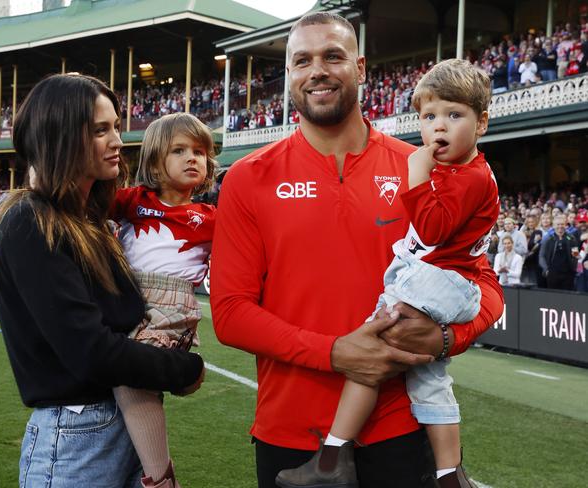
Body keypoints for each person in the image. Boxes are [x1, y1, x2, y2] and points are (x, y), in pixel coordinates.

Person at [210, 12, 503, 488]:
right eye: (301, 60)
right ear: (288, 75)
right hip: (292, 433)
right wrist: (334, 353)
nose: (317, 70)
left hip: (402, 430)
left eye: (332, 56)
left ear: (361, 68)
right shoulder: (248, 177)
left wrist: (449, 339)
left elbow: (484, 284)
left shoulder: (420, 168)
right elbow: (230, 313)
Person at [275, 57, 498, 488]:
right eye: (429, 116)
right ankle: (451, 475)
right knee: (430, 379)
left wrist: (416, 177)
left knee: (370, 352)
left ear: (482, 123)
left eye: (454, 115)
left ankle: (332, 457)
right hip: (447, 280)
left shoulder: (465, 176)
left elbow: (432, 230)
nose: (439, 127)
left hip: (441, 280)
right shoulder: (458, 171)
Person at [0, 74, 205, 488]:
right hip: (75, 438)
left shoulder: (92, 222)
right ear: (63, 136)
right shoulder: (31, 221)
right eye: (100, 130)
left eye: (117, 126)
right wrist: (184, 368)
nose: (117, 141)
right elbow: (92, 351)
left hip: (120, 426)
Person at [110, 113, 217, 487]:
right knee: (113, 371)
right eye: (180, 150)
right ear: (155, 161)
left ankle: (160, 477)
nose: (193, 158)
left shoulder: (209, 218)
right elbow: (87, 207)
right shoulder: (132, 201)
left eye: (200, 152)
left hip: (173, 306)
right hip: (128, 296)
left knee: (131, 375)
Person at [539, 214, 579, 290]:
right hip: (552, 274)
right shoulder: (547, 239)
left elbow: (576, 255)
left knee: (567, 298)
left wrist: (574, 268)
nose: (560, 226)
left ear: (565, 225)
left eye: (562, 224)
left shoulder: (571, 238)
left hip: (568, 274)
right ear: (553, 226)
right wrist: (546, 269)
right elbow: (541, 256)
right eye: (558, 224)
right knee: (553, 298)